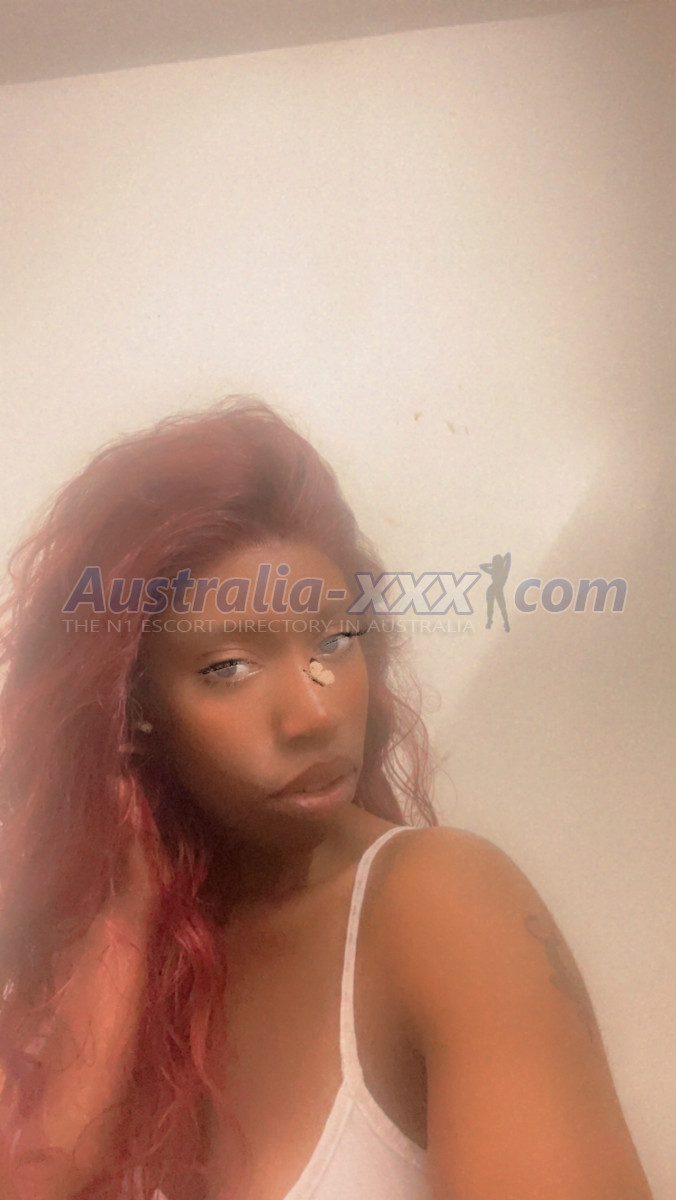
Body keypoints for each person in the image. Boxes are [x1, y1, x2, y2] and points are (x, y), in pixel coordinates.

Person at [0, 397, 652, 1200]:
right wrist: (116, 962)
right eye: (229, 667)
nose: (313, 714)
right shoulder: (90, 956)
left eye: (334, 640)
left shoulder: (443, 907)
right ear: (132, 708)